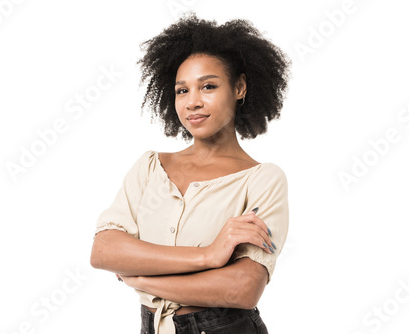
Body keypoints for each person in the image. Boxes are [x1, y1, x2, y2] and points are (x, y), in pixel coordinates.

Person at [90, 12, 292, 334]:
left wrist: (140, 277)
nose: (193, 102)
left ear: (239, 87)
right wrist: (209, 256)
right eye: (182, 91)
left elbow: (243, 288)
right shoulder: (150, 166)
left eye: (208, 86)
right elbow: (104, 250)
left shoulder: (262, 179)